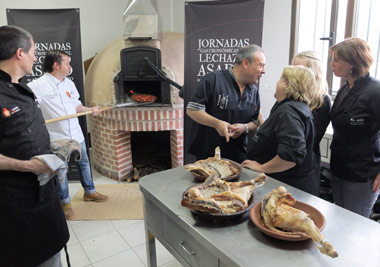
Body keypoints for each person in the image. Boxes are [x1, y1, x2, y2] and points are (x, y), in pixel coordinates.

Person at [0, 25, 69, 267]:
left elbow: (25, 134)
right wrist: (28, 166)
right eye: (34, 51)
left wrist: (57, 145)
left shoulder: (22, 88)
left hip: (43, 196)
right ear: (20, 53)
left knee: (52, 252)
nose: (36, 58)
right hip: (15, 203)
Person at [28, 50, 109, 220]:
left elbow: (77, 107)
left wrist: (91, 110)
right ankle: (65, 203)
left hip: (76, 133)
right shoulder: (37, 86)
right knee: (61, 171)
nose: (70, 67)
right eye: (67, 63)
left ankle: (90, 192)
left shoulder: (69, 84)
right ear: (56, 65)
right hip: (57, 137)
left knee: (85, 164)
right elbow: (30, 110)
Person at [243, 65, 322, 196]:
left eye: (280, 79)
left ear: (288, 84)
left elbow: (290, 156)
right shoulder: (291, 107)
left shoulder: (289, 112)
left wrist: (262, 168)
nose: (277, 82)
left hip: (286, 187)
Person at [186, 44, 266, 163]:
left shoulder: (254, 91)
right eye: (261, 66)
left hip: (239, 156)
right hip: (209, 156)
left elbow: (255, 122)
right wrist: (217, 123)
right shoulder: (213, 79)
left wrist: (244, 128)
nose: (264, 71)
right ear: (245, 63)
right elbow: (192, 110)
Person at [329, 37, 380, 217]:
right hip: (338, 169)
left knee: (355, 228)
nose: (332, 64)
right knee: (340, 221)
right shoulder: (344, 89)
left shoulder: (375, 91)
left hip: (362, 175)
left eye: (336, 60)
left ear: (352, 62)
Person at [292, 51, 332, 181]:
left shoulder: (322, 101)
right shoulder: (291, 95)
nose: (296, 73)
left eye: (301, 69)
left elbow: (311, 139)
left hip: (304, 165)